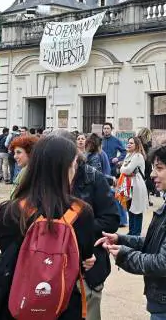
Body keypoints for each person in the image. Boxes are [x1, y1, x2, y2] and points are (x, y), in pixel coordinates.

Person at [97, 143, 166, 319]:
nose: (152, 175)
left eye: (159, 168)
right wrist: (121, 239)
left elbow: (163, 263)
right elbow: (158, 242)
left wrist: (125, 255)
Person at [0, 136, 96, 320]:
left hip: (17, 303)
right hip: (62, 306)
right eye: (73, 164)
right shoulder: (82, 212)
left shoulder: (8, 210)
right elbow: (84, 256)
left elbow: (6, 251)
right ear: (65, 167)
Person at [49, 129, 120, 320]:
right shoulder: (45, 180)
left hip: (87, 267)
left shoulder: (93, 178)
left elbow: (111, 220)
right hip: (50, 266)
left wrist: (73, 231)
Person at [120, 137, 149, 236]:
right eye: (128, 143)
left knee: (136, 210)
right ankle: (131, 231)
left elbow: (127, 170)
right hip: (128, 186)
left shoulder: (138, 156)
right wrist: (125, 169)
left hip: (136, 186)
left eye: (131, 143)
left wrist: (125, 169)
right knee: (130, 209)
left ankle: (136, 233)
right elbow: (123, 170)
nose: (128, 144)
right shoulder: (128, 155)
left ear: (137, 145)